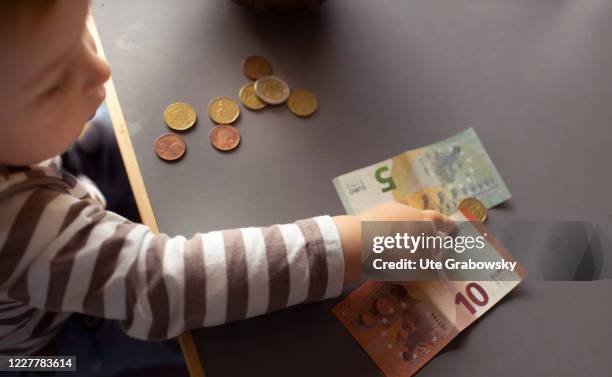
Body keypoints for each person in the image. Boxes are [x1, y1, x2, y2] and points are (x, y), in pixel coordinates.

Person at [0, 0, 452, 357]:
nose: (103, 70)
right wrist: (355, 245)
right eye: (54, 81)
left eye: (83, 22)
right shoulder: (15, 229)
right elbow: (163, 283)